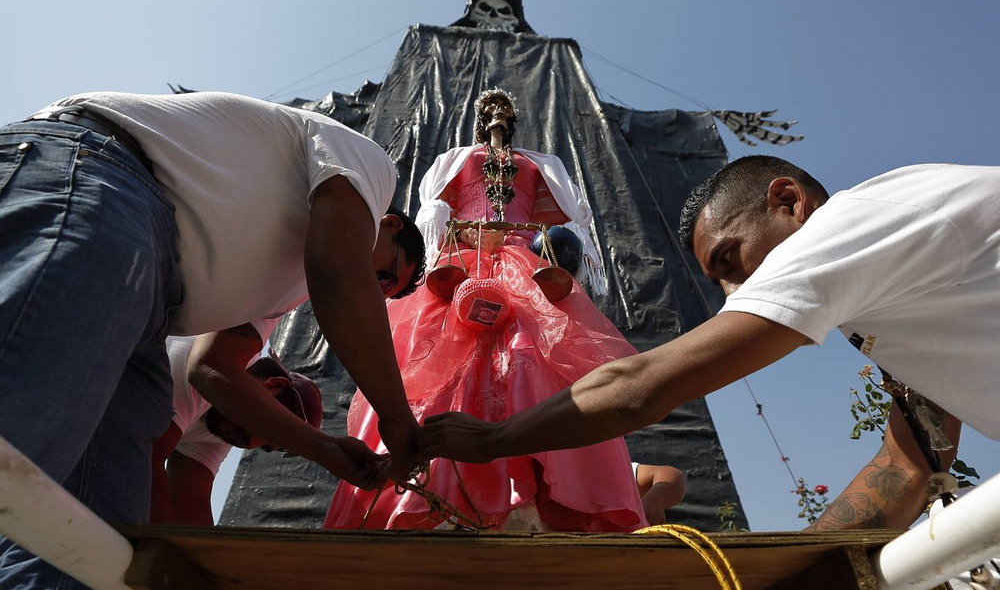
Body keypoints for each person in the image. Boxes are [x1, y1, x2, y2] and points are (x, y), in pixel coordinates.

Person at [418, 155, 1000, 532]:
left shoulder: (852, 224)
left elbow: (638, 386)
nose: (733, 293)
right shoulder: (893, 295)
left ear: (789, 201)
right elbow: (908, 464)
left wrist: (494, 438)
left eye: (729, 259)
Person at [0, 91, 425, 589]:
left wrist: (324, 450)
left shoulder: (275, 291)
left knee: (95, 543)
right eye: (385, 277)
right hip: (104, 176)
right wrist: (397, 421)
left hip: (152, 309)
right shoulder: (369, 165)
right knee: (18, 432)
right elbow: (339, 271)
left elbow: (215, 369)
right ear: (389, 223)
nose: (373, 290)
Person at [325, 88, 646, 532]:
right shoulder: (457, 160)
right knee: (446, 362)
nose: (498, 116)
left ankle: (534, 494)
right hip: (463, 258)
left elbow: (564, 223)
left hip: (523, 259)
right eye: (491, 110)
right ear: (480, 117)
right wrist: (453, 244)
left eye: (504, 110)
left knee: (528, 355)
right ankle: (438, 494)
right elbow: (435, 214)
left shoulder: (539, 165)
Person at [151, 334, 323, 525]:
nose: (251, 444)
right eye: (267, 429)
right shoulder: (206, 371)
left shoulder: (228, 420)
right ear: (275, 385)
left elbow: (189, 503)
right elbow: (143, 463)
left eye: (265, 446)